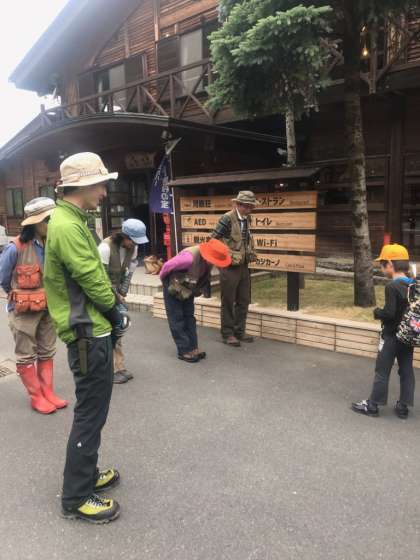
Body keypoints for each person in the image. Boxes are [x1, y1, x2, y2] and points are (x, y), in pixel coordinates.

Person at [44, 152, 129, 524]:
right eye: (101, 185)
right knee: (90, 414)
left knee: (94, 411)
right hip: (86, 333)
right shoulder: (67, 225)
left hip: (90, 331)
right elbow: (91, 278)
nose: (105, 193)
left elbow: (91, 274)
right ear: (82, 186)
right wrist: (115, 311)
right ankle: (76, 497)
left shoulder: (70, 220)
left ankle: (87, 475)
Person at [0, 197, 68, 414]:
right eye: (48, 220)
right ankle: (36, 396)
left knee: (47, 350)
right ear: (35, 223)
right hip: (24, 311)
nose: (51, 223)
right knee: (26, 354)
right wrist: (18, 296)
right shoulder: (15, 248)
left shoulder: (53, 244)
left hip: (49, 308)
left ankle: (48, 392)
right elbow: (3, 279)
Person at [352, 244, 416, 419]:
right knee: (406, 370)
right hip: (408, 336)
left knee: (382, 370)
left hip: (391, 336)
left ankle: (373, 405)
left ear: (390, 264)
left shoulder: (392, 286)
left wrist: (377, 312)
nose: (381, 268)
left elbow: (389, 313)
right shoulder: (413, 284)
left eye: (382, 264)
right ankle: (403, 407)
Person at [160, 239, 231, 362]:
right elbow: (166, 267)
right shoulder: (188, 258)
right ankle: (183, 350)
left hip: (187, 286)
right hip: (173, 284)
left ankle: (193, 347)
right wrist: (165, 283)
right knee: (177, 317)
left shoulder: (206, 262)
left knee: (189, 317)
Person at [98, 219, 149, 384]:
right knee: (106, 331)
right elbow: (101, 278)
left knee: (119, 329)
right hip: (102, 293)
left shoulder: (133, 249)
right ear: (123, 236)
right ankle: (109, 370)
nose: (134, 244)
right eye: (132, 240)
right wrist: (115, 296)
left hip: (116, 292)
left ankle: (119, 367)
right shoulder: (105, 248)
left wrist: (122, 292)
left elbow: (129, 273)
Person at [212, 190, 257, 347]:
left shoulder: (247, 218)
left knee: (244, 299)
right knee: (228, 300)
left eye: (251, 206)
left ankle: (239, 331)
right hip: (229, 266)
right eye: (247, 206)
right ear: (238, 204)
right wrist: (226, 255)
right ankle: (227, 333)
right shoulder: (227, 218)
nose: (249, 209)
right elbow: (213, 239)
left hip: (243, 264)